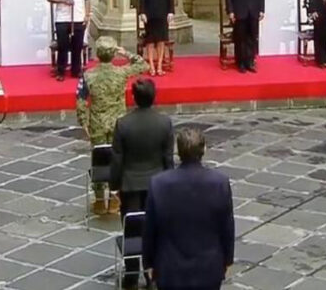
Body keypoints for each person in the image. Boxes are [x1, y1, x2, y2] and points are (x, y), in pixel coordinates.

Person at [143, 129, 234, 290]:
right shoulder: (220, 183)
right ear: (204, 149)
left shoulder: (158, 184)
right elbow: (226, 227)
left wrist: (148, 262)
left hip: (170, 269)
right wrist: (227, 259)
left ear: (178, 152)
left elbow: (150, 229)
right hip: (208, 268)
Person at [110, 78, 174, 289]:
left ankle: (131, 273)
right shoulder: (164, 123)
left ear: (134, 98)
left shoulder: (123, 124)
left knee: (131, 230)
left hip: (130, 185)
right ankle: (152, 274)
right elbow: (168, 159)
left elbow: (118, 159)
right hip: (156, 184)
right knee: (154, 230)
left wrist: (113, 185)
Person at [76, 36, 148, 214]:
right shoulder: (121, 72)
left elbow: (80, 99)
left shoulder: (88, 75)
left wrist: (83, 121)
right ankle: (115, 198)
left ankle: (100, 200)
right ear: (112, 53)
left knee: (99, 159)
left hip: (97, 122)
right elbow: (143, 64)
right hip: (118, 123)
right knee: (118, 160)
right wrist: (126, 53)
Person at [47, 0, 92, 81]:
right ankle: (61, 70)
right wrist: (63, 0)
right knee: (63, 46)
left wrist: (87, 15)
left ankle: (75, 70)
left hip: (78, 17)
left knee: (77, 46)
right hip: (62, 18)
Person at [139, 0, 175, 76]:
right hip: (149, 14)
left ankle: (159, 66)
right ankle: (151, 66)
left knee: (161, 41)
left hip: (163, 13)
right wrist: (142, 12)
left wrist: (171, 12)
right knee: (150, 41)